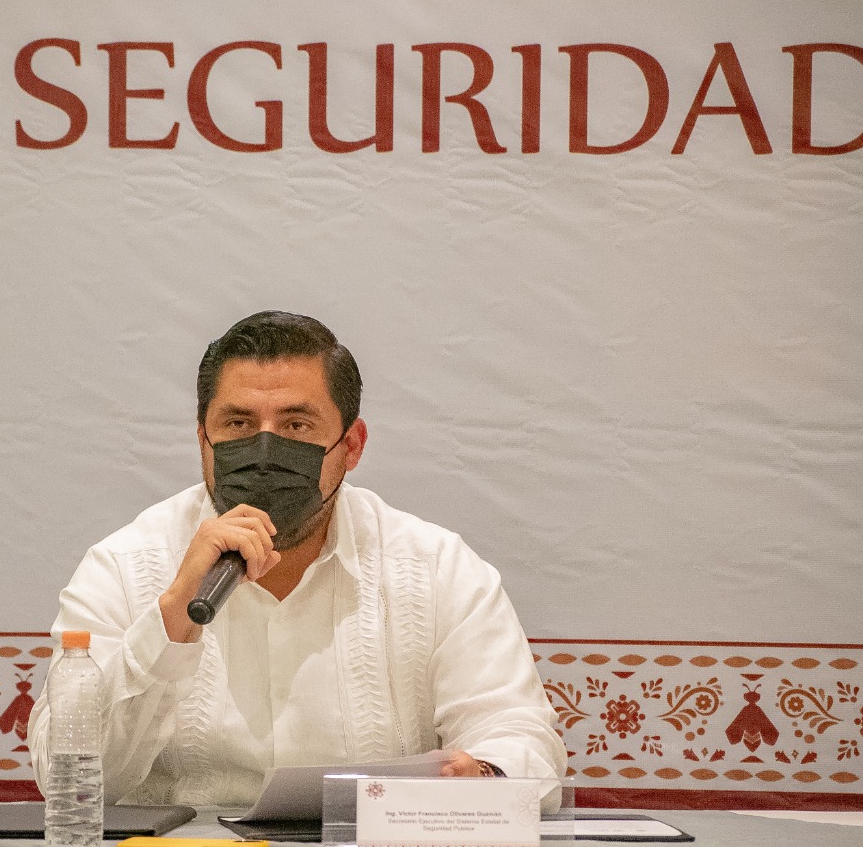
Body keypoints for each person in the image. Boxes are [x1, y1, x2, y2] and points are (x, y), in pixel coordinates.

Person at [28, 311, 565, 805]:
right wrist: (171, 619)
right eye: (238, 424)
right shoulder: (123, 566)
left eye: (296, 425)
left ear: (351, 446)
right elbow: (64, 781)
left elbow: (519, 736)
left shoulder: (438, 568)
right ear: (203, 439)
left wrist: (484, 777)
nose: (265, 452)